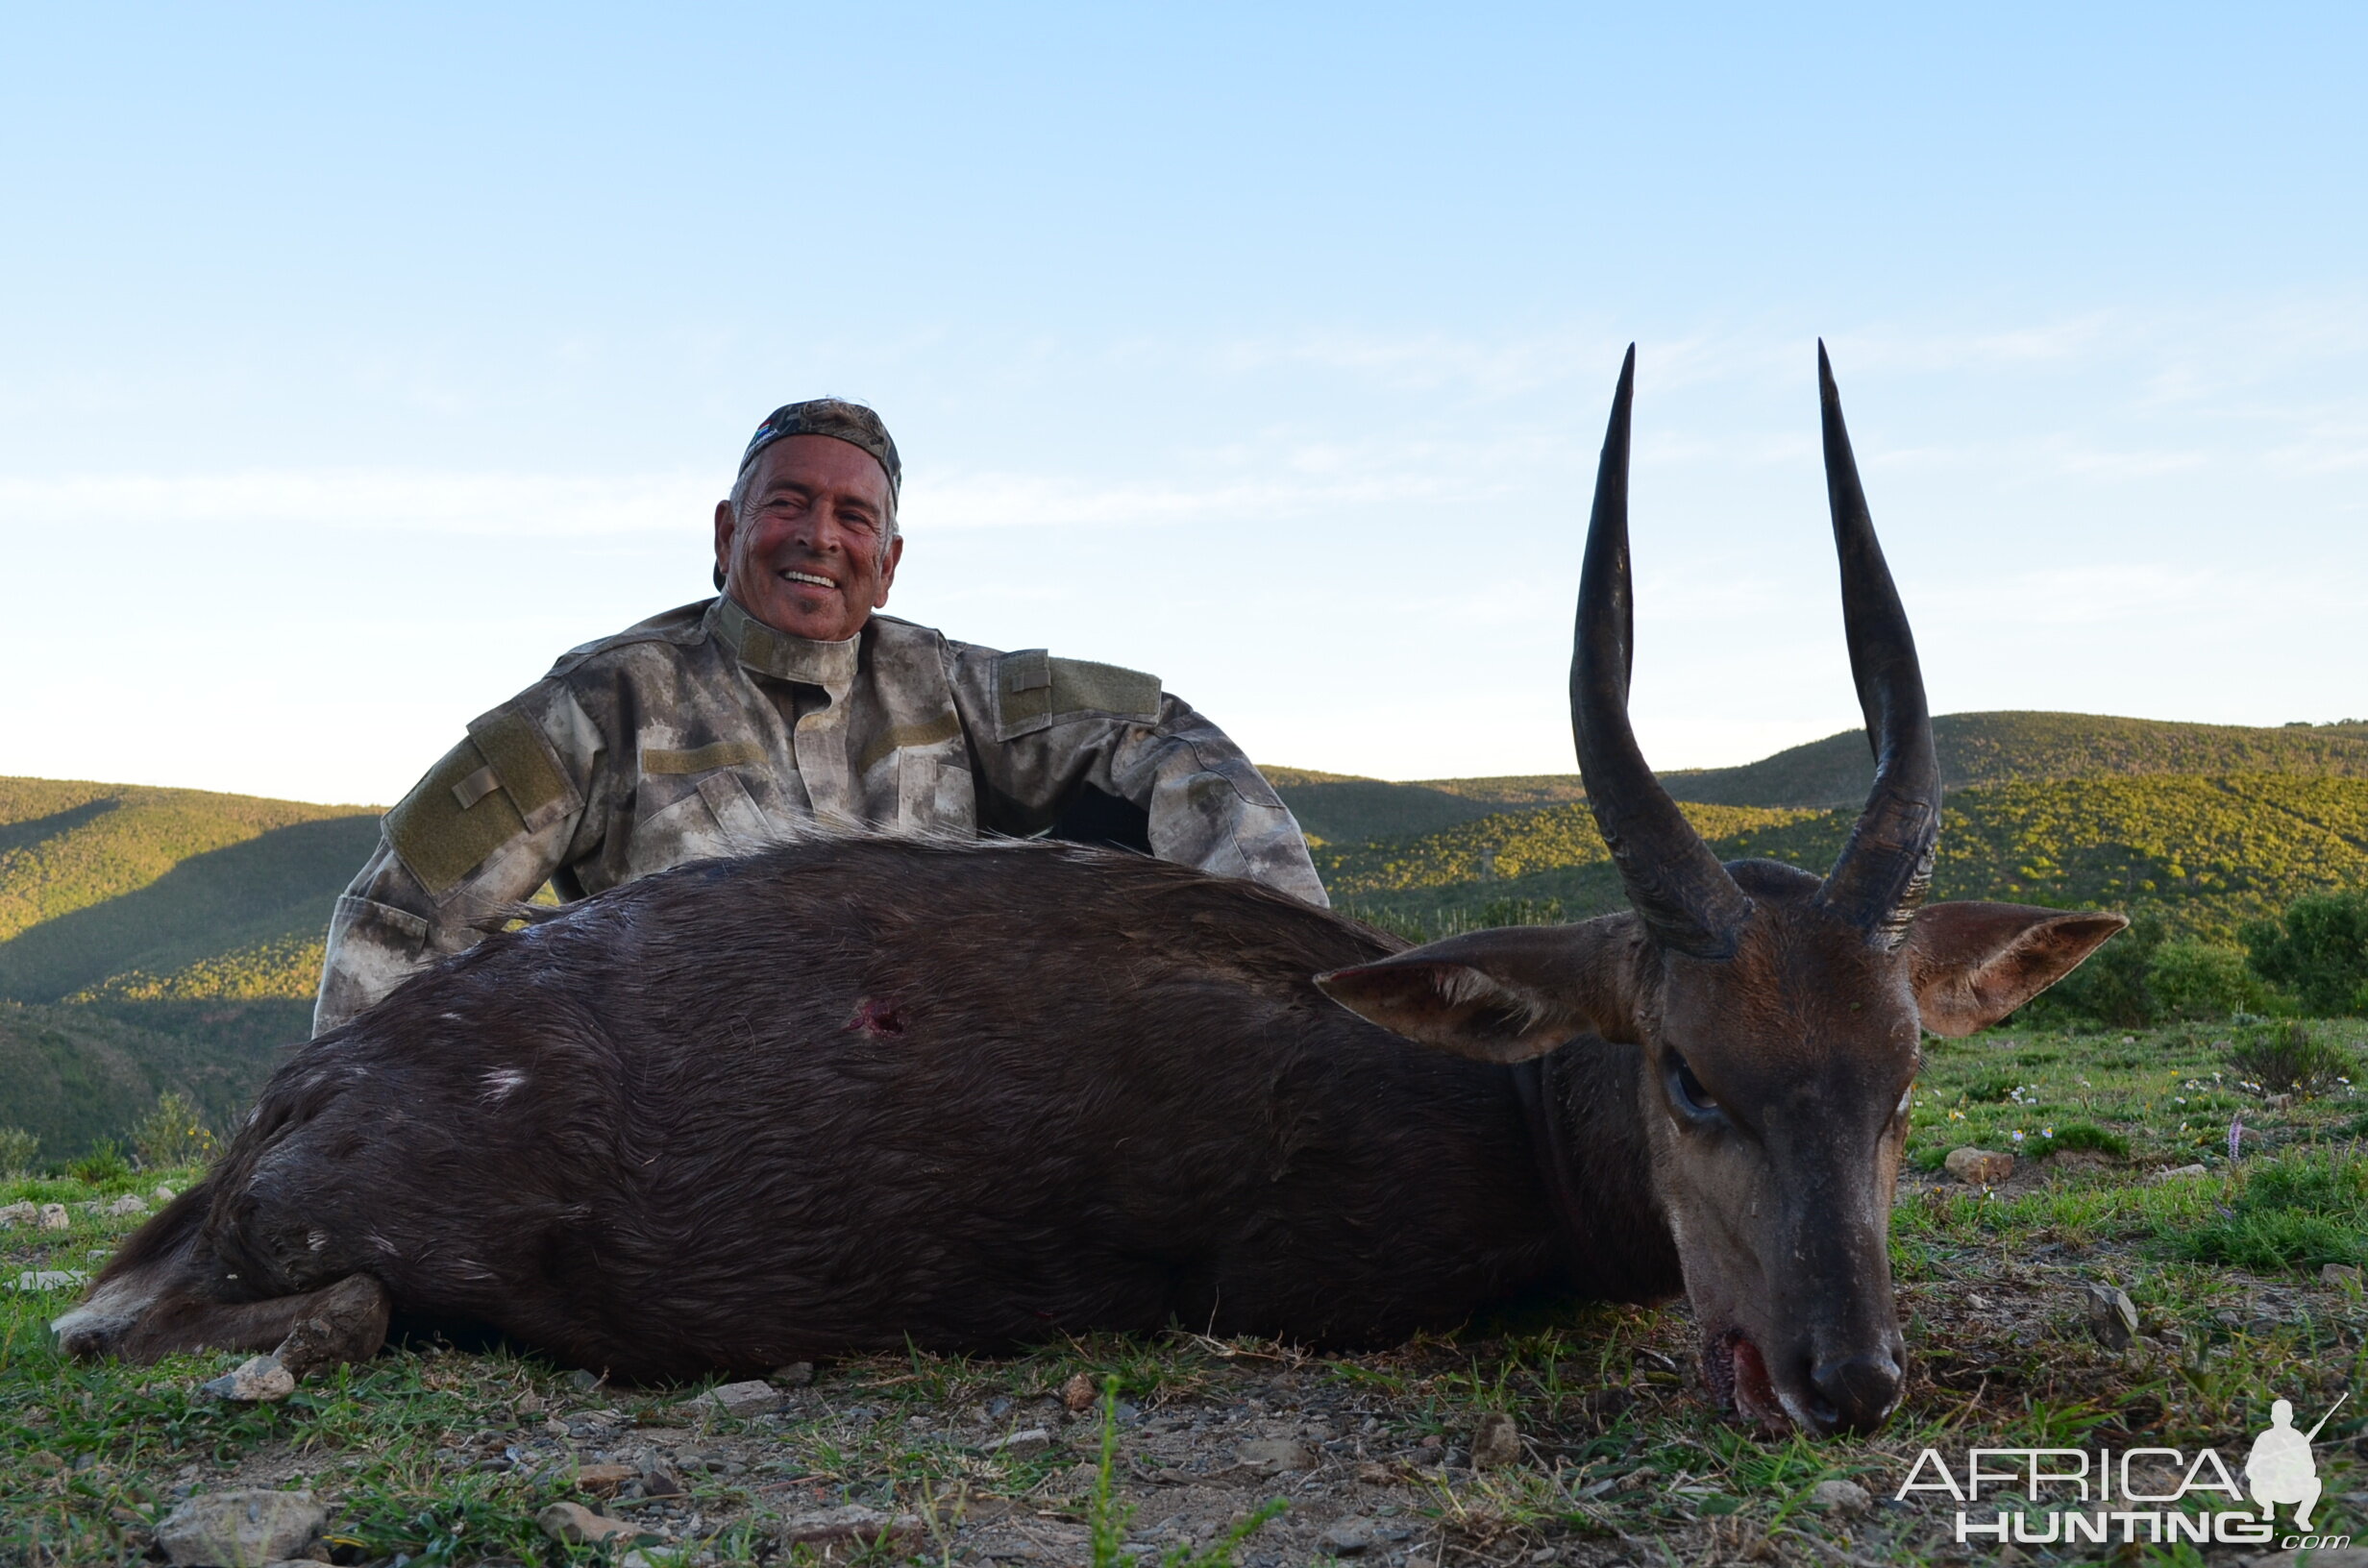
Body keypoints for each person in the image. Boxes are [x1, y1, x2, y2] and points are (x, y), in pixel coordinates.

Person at [312, 399, 1326, 1034]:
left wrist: (1298, 966)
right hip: (688, 1126)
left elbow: (1164, 736)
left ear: (887, 564)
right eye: (788, 504)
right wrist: (345, 1151)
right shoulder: (604, 702)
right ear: (727, 533)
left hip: (942, 1101)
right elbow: (400, 908)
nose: (819, 538)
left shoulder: (952, 685)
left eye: (854, 518)